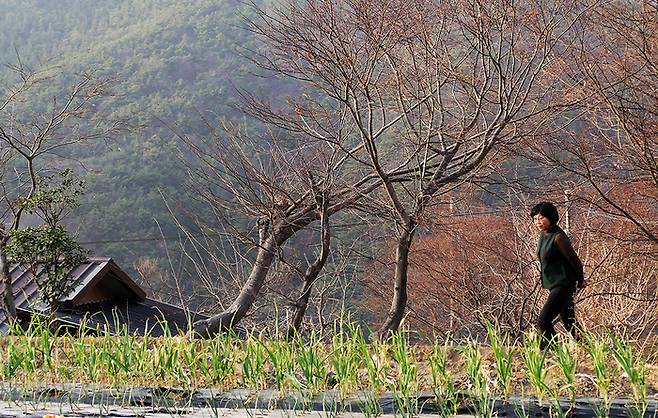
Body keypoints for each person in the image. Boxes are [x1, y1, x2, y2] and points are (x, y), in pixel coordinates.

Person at [531, 202, 586, 349]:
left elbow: (575, 261)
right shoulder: (544, 235)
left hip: (564, 284)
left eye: (541, 218)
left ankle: (552, 353)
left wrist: (580, 281)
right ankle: (589, 350)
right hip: (554, 284)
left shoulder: (558, 237)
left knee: (543, 321)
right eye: (535, 219)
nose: (538, 222)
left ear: (551, 217)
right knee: (569, 322)